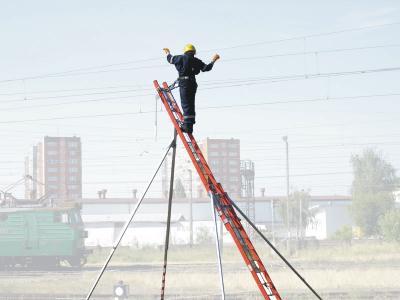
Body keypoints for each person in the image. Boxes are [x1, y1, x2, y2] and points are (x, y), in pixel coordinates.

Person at [163, 44, 220, 134]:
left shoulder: (181, 58)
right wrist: (213, 60)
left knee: (186, 104)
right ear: (194, 52)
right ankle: (190, 126)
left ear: (185, 51)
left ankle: (187, 126)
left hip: (184, 83)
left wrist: (167, 53)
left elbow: (170, 59)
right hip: (193, 84)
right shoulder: (196, 60)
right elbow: (206, 68)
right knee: (190, 104)